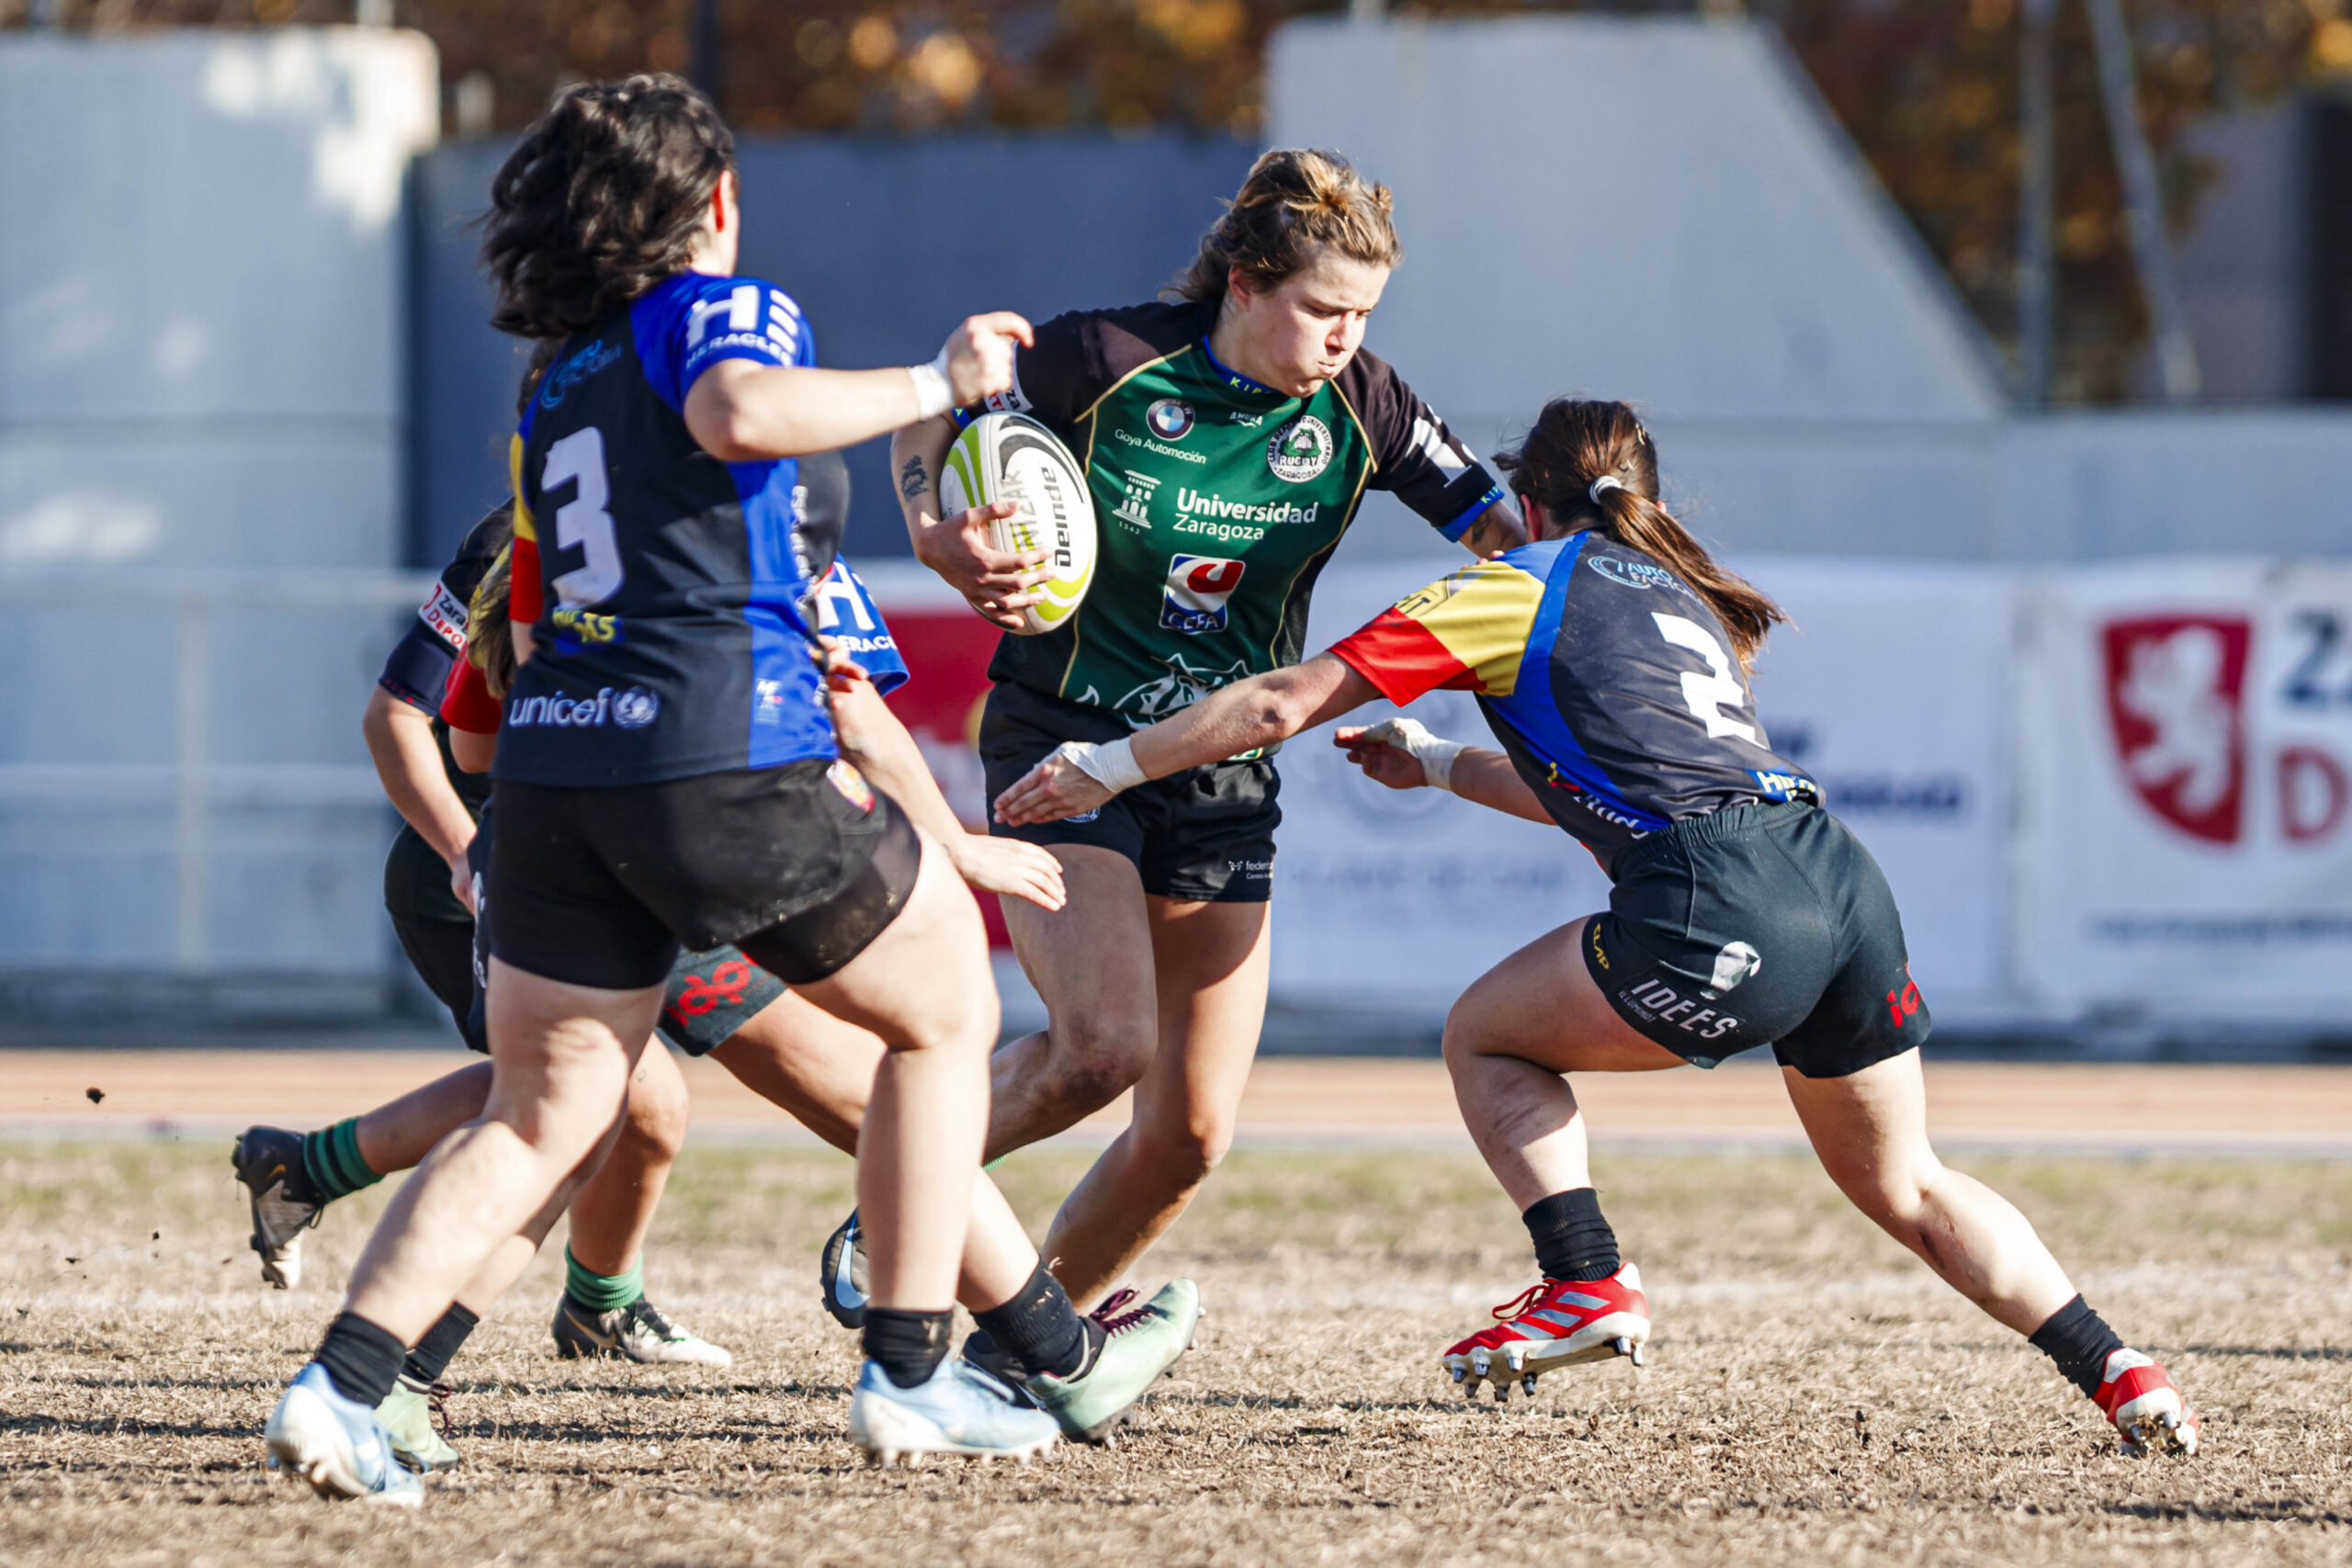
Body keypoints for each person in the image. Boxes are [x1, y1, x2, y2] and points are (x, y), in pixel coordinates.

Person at [991, 398, 2200, 1459]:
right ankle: (2118, 1367)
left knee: (1486, 1035)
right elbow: (1609, 786)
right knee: (1909, 1180)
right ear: (1646, 504)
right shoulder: (1682, 591)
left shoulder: (1507, 585)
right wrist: (1439, 762)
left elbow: (1277, 703)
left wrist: (1109, 764)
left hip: (1720, 893)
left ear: (1524, 505)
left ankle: (1584, 1279)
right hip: (1838, 880)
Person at [262, 73, 1061, 1506]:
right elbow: (742, 409)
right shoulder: (718, 308)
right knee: (947, 1011)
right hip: (710, 749)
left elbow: (539, 611)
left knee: (538, 1109)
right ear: (715, 199)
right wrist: (938, 382)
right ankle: (909, 1371)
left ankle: (340, 1388)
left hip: (553, 776)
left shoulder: (557, 379)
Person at [314, 538, 1197, 1474]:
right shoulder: (757, 496)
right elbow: (854, 711)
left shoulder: (542, 513)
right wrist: (955, 843)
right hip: (694, 828)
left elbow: (473, 743)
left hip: (541, 839)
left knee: (560, 1118)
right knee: (928, 1036)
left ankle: (353, 1380)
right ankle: (961, 1367)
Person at [847, 147, 1527, 1325]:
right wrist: (930, 528)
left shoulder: (1367, 405)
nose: (1344, 338)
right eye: (1322, 309)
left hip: (1221, 770)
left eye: (1364, 315)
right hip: (1064, 746)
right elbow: (928, 411)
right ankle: (893, 1203)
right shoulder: (1106, 357)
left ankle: (1024, 1353)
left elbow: (1508, 538)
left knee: (1188, 1137)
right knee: (1099, 1050)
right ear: (1244, 285)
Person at [233, 498, 729, 1388]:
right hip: (514, 869)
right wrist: (470, 856)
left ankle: (313, 1177)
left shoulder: (711, 499)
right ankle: (384, 1375)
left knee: (638, 1106)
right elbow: (405, 723)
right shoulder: (523, 530)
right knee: (590, 1098)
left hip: (617, 862)